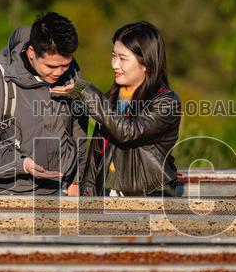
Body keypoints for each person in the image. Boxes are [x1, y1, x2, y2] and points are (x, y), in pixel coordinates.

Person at [50, 21, 180, 197]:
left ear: (146, 64)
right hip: (107, 198)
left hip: (149, 198)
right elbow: (96, 158)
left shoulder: (167, 102)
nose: (114, 64)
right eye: (113, 56)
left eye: (122, 58)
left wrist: (86, 92)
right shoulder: (110, 99)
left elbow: (128, 132)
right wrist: (88, 201)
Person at [0, 12, 87, 195]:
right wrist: (22, 165)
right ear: (31, 53)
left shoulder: (73, 74)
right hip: (9, 197)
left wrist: (77, 179)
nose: (58, 72)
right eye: (51, 66)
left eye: (65, 65)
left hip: (61, 192)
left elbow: (79, 128)